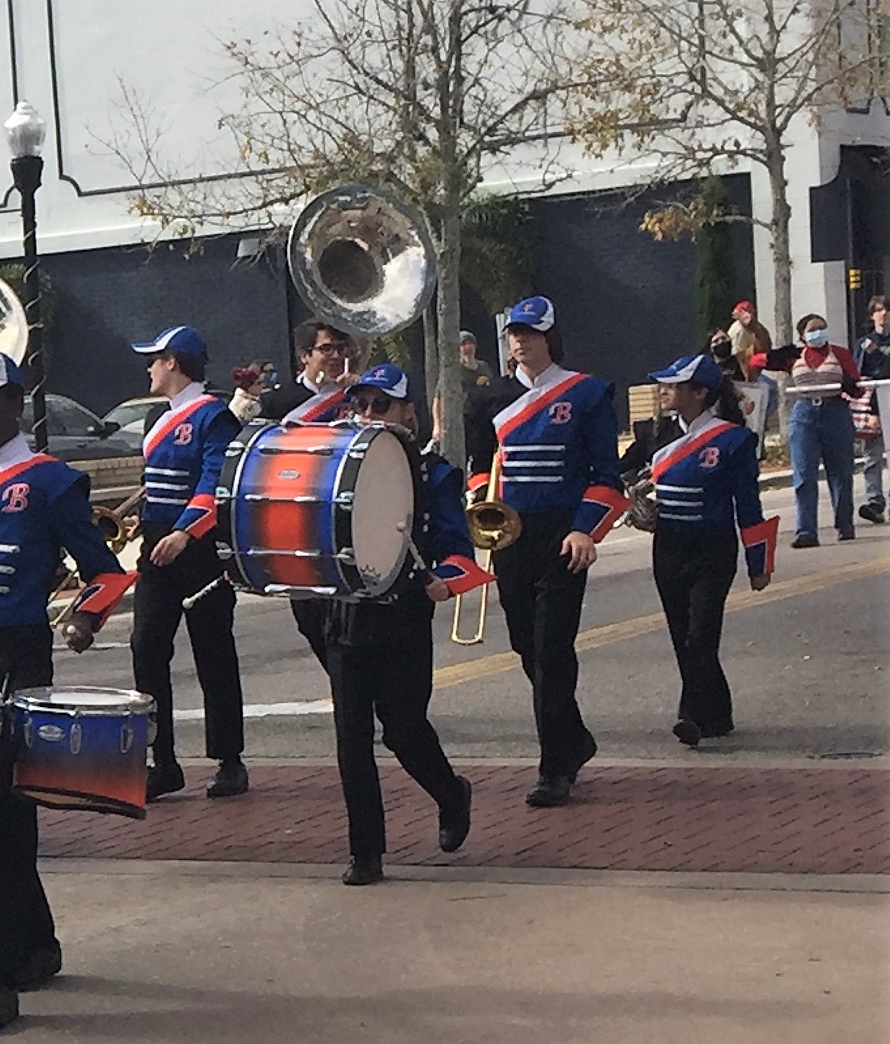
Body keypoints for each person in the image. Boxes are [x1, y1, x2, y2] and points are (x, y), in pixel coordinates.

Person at [0, 352, 133, 1030]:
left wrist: (84, 618)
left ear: (15, 403)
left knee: (6, 815)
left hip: (14, 653)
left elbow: (105, 573)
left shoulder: (49, 483)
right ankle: (36, 947)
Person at [321, 367, 484, 885]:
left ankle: (450, 792)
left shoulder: (432, 474)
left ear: (406, 412)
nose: (367, 415)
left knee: (405, 731)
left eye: (380, 406)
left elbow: (458, 548)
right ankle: (365, 852)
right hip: (348, 613)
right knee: (351, 737)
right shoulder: (335, 469)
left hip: (404, 614)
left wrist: (448, 579)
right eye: (361, 405)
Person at [486, 296, 628, 808]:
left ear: (550, 337)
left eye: (529, 333)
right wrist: (484, 506)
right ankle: (574, 738)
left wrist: (586, 529)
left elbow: (606, 478)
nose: (519, 341)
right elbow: (484, 466)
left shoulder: (587, 394)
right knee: (528, 648)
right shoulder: (492, 397)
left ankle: (554, 767)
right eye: (513, 334)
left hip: (564, 537)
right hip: (511, 536)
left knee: (551, 651)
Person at [126, 325, 249, 801]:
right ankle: (163, 759)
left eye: (155, 359)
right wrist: (148, 518)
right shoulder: (159, 417)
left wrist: (185, 531)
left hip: (197, 548)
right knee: (146, 646)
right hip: (159, 543)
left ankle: (229, 759)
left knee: (213, 651)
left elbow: (214, 483)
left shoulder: (213, 417)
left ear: (174, 362)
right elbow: (158, 480)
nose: (149, 368)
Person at [640, 354, 778, 747]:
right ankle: (717, 712)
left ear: (699, 392)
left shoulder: (734, 439)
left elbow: (749, 507)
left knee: (702, 633)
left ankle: (691, 715)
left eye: (673, 385)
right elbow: (624, 476)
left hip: (712, 548)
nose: (663, 390)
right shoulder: (656, 434)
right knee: (682, 633)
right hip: (668, 546)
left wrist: (758, 565)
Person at [260, 320, 361, 662]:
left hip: (346, 514)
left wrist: (358, 399)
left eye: (340, 349)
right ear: (304, 355)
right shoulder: (278, 402)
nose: (335, 356)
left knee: (352, 616)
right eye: (326, 349)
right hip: (296, 517)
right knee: (309, 618)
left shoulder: (359, 396)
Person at [751, 314, 864, 548]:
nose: (819, 333)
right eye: (813, 329)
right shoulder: (795, 356)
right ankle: (806, 531)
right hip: (804, 413)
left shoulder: (839, 354)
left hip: (835, 411)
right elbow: (755, 362)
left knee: (841, 472)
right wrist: (775, 357)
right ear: (802, 335)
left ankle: (844, 525)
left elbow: (858, 388)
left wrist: (848, 383)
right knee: (803, 474)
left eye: (823, 328)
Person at [856, 296, 889, 525]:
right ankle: (875, 502)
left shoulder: (874, 347)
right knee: (872, 457)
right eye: (878, 310)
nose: (883, 314)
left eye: (886, 309)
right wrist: (868, 412)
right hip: (873, 406)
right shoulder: (863, 343)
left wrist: (878, 354)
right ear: (871, 315)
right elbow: (859, 376)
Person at [728, 302, 774, 379]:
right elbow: (738, 358)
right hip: (743, 374)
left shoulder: (756, 327)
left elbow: (766, 346)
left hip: (755, 369)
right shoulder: (739, 330)